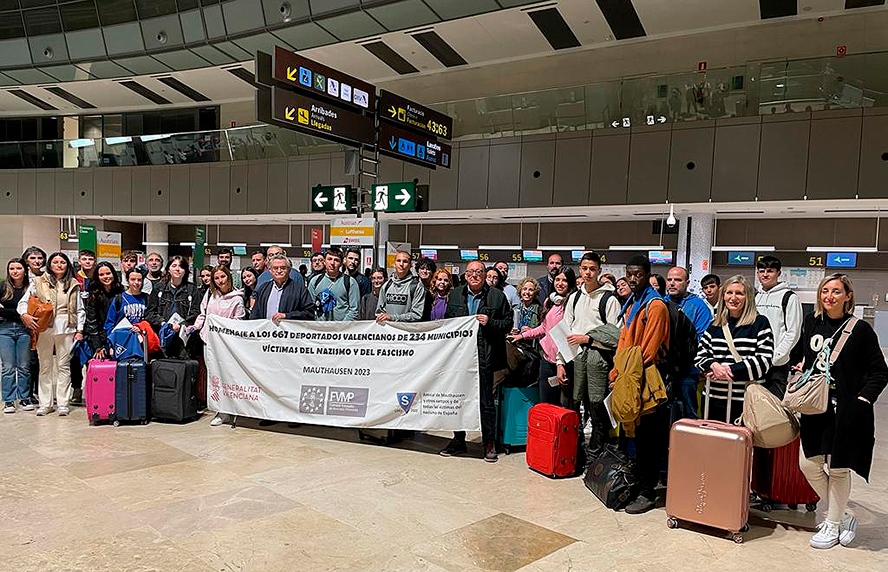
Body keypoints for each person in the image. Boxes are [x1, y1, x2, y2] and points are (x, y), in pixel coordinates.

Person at [792, 273, 887, 549]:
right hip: (814, 407)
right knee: (807, 464)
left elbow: (880, 372)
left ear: (847, 296)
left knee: (838, 469)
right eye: (824, 291)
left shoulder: (860, 330)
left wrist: (863, 400)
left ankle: (832, 523)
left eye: (835, 291)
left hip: (845, 410)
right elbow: (803, 356)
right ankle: (844, 515)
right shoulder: (811, 322)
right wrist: (800, 369)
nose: (829, 296)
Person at [609, 255, 670, 514]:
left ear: (648, 275)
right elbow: (624, 342)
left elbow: (648, 350)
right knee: (632, 437)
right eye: (629, 274)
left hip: (645, 380)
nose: (633, 279)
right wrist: (617, 372)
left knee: (648, 439)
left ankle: (648, 491)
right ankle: (636, 484)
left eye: (638, 275)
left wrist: (624, 372)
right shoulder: (633, 303)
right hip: (628, 376)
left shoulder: (655, 306)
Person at [440, 260, 512, 462]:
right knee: (458, 399)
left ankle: (489, 442)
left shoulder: (497, 296)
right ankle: (458, 439)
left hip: (485, 357)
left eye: (479, 272)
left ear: (485, 274)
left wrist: (490, 322)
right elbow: (448, 322)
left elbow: (507, 323)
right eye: (470, 272)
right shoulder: (455, 295)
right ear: (465, 275)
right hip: (460, 358)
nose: (474, 275)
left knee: (486, 402)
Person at [558, 252, 621, 462]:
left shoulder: (609, 299)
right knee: (575, 404)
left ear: (599, 271)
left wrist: (589, 340)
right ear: (579, 269)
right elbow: (564, 332)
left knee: (596, 407)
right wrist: (560, 362)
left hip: (598, 359)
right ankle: (576, 452)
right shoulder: (574, 297)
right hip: (575, 358)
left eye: (592, 269)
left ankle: (596, 456)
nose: (588, 273)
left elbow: (615, 336)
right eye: (584, 268)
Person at [695, 275, 773, 424]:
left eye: (739, 293)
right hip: (713, 399)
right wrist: (713, 365)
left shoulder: (760, 323)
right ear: (723, 295)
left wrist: (727, 370)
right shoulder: (715, 325)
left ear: (748, 297)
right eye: (729, 292)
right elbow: (700, 356)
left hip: (746, 401)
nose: (733, 297)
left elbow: (764, 361)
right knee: (714, 443)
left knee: (742, 445)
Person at [18, 252, 84, 417]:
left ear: (67, 265)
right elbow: (23, 302)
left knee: (63, 366)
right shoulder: (38, 282)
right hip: (44, 328)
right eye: (55, 262)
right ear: (50, 265)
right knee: (45, 366)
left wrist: (79, 330)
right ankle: (45, 403)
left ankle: (63, 403)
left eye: (62, 262)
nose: (59, 265)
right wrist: (24, 316)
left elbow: (79, 309)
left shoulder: (74, 284)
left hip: (67, 328)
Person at [511, 267, 578, 406]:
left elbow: (568, 336)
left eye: (564, 280)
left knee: (565, 407)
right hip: (547, 360)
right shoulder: (550, 301)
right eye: (557, 279)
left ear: (570, 283)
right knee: (546, 405)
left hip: (566, 363)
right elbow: (543, 328)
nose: (560, 283)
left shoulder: (573, 304)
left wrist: (561, 364)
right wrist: (522, 336)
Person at [189, 266, 246, 427]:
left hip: (226, 344)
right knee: (213, 376)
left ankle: (227, 410)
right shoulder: (210, 294)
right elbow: (203, 314)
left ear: (228, 277)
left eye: (223, 277)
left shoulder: (237, 299)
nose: (220, 281)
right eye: (216, 278)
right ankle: (219, 409)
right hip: (208, 341)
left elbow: (239, 321)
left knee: (226, 376)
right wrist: (195, 326)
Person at [666, 266, 713, 419]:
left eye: (678, 280)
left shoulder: (699, 306)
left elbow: (702, 340)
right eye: (670, 280)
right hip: (664, 368)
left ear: (687, 282)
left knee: (688, 411)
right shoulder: (660, 303)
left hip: (688, 370)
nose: (672, 283)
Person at [755, 255, 803, 397]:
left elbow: (793, 332)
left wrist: (776, 357)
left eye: (770, 271)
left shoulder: (789, 297)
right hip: (756, 363)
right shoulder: (755, 297)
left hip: (777, 365)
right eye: (761, 271)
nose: (765, 274)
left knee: (774, 409)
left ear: (778, 273)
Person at [145, 256, 201, 360]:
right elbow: (149, 313)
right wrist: (164, 324)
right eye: (174, 266)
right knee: (163, 370)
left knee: (183, 370)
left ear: (185, 271)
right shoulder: (159, 288)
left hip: (184, 339)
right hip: (163, 337)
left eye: (181, 266)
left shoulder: (192, 289)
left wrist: (182, 325)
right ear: (168, 269)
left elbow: (196, 312)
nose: (177, 269)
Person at [1, 259, 32, 413]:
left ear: (24, 270)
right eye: (11, 268)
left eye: (18, 268)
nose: (15, 271)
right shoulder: (2, 287)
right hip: (4, 330)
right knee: (7, 367)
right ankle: (8, 400)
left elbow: (32, 312)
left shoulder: (30, 288)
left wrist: (6, 309)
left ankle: (25, 398)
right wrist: (21, 314)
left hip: (24, 330)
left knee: (24, 367)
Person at [250, 254, 314, 323]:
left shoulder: (300, 289)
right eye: (275, 268)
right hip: (267, 331)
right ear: (270, 270)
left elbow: (309, 313)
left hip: (289, 331)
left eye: (283, 268)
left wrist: (287, 316)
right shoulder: (263, 288)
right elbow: (255, 314)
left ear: (289, 270)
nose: (279, 271)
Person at [83, 261, 123, 360]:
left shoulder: (121, 292)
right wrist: (98, 346)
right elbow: (92, 322)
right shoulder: (93, 296)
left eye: (108, 273)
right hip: (99, 339)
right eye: (101, 274)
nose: (106, 276)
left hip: (119, 337)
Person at [307, 247, 359, 322]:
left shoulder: (350, 282)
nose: (332, 263)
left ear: (341, 264)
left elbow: (354, 310)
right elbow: (310, 306)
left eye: (336, 260)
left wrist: (341, 326)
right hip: (320, 329)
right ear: (324, 261)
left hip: (342, 330)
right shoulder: (315, 281)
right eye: (329, 259)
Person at [72, 249, 97, 405]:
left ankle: (93, 389)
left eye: (90, 259)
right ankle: (76, 389)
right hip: (76, 324)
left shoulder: (98, 277)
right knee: (75, 360)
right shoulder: (74, 278)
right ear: (79, 261)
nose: (87, 262)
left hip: (94, 324)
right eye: (84, 259)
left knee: (92, 359)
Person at [22, 246, 46, 405]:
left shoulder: (46, 277)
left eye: (39, 258)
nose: (36, 261)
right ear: (26, 261)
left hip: (40, 323)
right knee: (27, 362)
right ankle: (26, 393)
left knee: (39, 361)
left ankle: (39, 392)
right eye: (32, 258)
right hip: (22, 323)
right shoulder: (20, 277)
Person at [376, 251, 428, 324]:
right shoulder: (386, 285)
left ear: (410, 265)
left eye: (405, 261)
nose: (401, 264)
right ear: (394, 264)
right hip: (389, 332)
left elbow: (417, 315)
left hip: (407, 333)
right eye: (398, 261)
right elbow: (379, 311)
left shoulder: (417, 286)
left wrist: (393, 317)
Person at [104, 269, 149, 334]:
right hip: (123, 338)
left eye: (139, 280)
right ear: (127, 281)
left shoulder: (147, 298)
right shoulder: (119, 299)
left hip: (142, 338)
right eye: (133, 279)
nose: (136, 282)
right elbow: (109, 322)